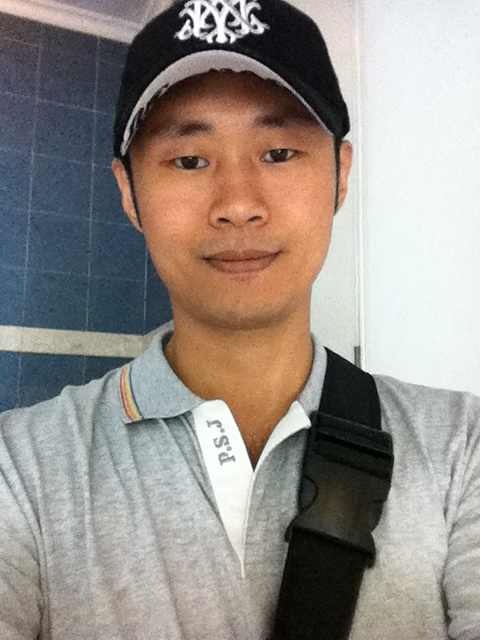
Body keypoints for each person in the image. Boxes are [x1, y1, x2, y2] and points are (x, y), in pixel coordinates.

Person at [1, 1, 479, 639]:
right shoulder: (20, 469)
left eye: (278, 152)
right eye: (190, 160)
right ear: (128, 193)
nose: (238, 204)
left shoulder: (462, 449)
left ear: (340, 175)